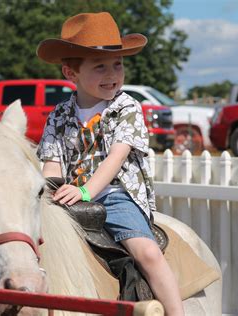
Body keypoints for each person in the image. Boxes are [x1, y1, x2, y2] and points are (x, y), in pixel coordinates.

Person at [36, 12, 184, 315]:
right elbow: (51, 165)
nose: (112, 73)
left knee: (148, 253)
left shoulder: (126, 107)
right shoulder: (59, 114)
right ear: (70, 72)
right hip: (69, 198)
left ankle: (175, 313)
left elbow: (116, 158)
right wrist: (50, 195)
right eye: (100, 66)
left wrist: (86, 191)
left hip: (115, 195)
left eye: (117, 64)